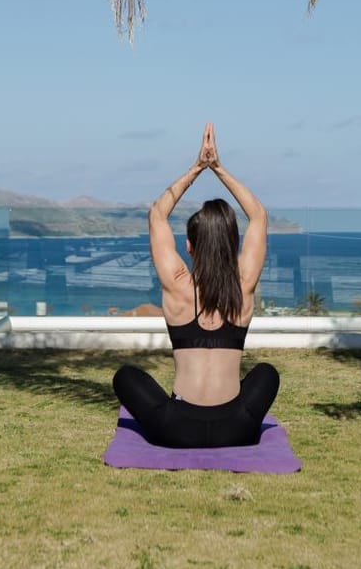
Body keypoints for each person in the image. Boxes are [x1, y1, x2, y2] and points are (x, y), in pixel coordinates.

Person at [112, 123, 279, 447]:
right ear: (233, 244)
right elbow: (258, 215)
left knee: (126, 376)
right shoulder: (242, 288)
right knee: (267, 373)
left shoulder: (177, 288)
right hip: (237, 429)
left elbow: (157, 215)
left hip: (176, 430)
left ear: (188, 246)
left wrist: (197, 167)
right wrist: (218, 168)